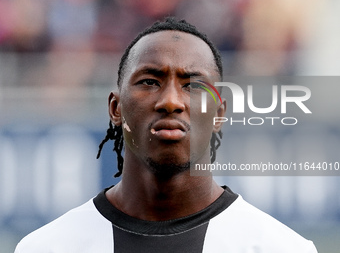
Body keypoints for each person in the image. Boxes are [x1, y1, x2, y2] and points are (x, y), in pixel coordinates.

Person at [14, 17, 317, 253]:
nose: (171, 101)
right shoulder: (47, 247)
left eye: (193, 85)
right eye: (149, 81)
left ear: (219, 114)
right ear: (115, 108)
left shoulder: (281, 248)